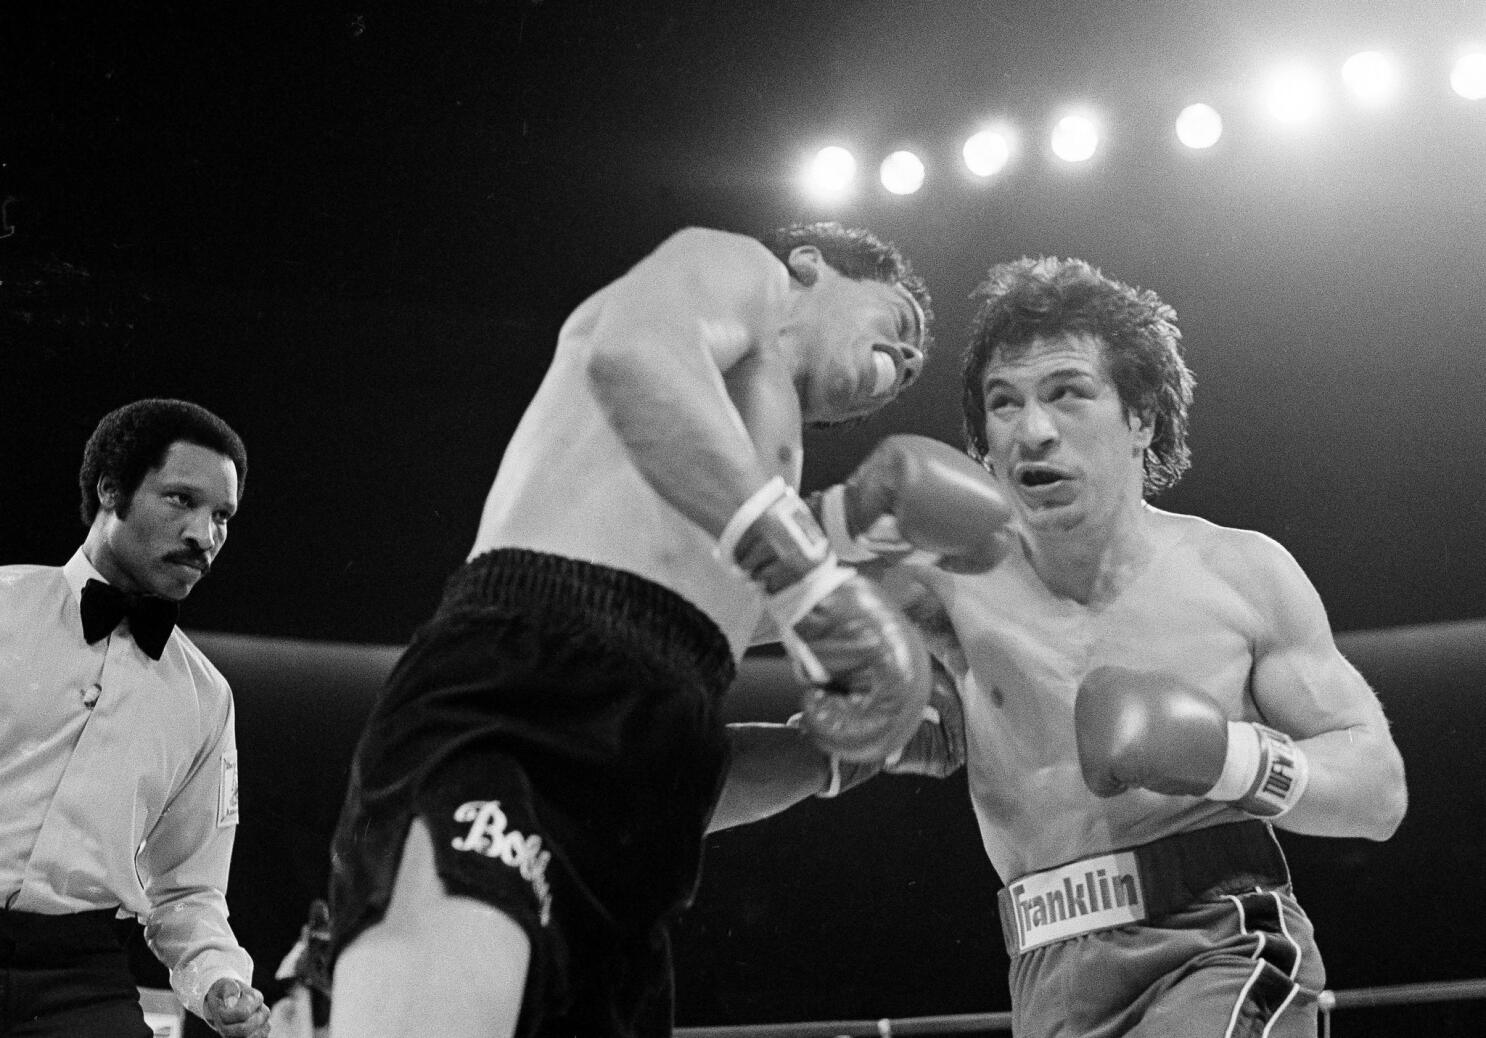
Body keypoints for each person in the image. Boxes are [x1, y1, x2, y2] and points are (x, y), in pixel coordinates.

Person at [712, 256, 1408, 1038]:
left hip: (1218, 938)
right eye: (1003, 405)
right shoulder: (943, 577)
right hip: (1045, 968)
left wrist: (1228, 758)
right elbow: (710, 613)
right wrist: (836, 524)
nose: (1032, 430)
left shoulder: (1240, 573)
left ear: (1141, 417)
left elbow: (1377, 793)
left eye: (1067, 392)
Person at [325, 222, 954, 1038]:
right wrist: (807, 570)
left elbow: (667, 763)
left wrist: (841, 750)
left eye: (910, 370)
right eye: (896, 325)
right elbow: (635, 356)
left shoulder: (756, 495)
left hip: (648, 790)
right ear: (813, 267)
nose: (899, 366)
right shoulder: (746, 275)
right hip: (522, 676)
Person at [0, 398, 270, 1038]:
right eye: (182, 500)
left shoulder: (206, 698)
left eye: (222, 516)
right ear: (111, 489)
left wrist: (218, 980)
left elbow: (189, 889)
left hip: (77, 980)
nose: (204, 536)